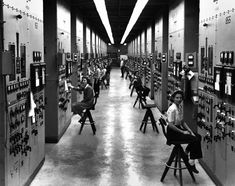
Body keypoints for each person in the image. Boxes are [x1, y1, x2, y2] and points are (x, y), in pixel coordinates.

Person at [166, 90, 202, 174]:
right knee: (195, 139)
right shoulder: (172, 109)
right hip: (173, 133)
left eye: (180, 98)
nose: (179, 99)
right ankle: (191, 162)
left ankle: (186, 153)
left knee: (198, 136)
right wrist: (183, 132)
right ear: (173, 98)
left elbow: (182, 122)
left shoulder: (180, 107)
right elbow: (170, 125)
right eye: (177, 98)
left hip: (178, 129)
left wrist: (189, 131)